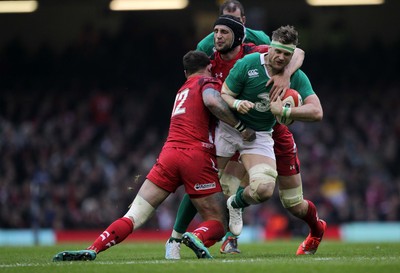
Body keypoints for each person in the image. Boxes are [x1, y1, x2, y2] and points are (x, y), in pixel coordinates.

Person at [52, 50, 256, 261]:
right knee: (218, 221)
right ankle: (196, 236)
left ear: (186, 72)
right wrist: (240, 125)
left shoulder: (181, 90)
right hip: (195, 154)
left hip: (168, 154)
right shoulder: (207, 82)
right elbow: (213, 102)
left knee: (134, 215)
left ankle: (93, 248)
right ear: (210, 67)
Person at [165, 15, 306, 259]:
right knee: (204, 180)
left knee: (261, 190)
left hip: (259, 131)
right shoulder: (208, 57)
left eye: (226, 30)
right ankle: (176, 239)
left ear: (240, 31)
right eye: (216, 31)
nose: (218, 36)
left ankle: (229, 229)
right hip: (226, 128)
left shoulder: (261, 53)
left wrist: (285, 73)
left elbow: (298, 52)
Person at [222, 25, 326, 256]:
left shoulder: (293, 72)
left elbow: (317, 112)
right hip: (247, 132)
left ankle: (317, 230)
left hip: (276, 134)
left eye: (286, 54)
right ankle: (230, 239)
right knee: (235, 186)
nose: (280, 57)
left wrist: (287, 111)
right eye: (277, 51)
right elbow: (224, 92)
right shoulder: (244, 59)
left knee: (293, 204)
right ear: (270, 46)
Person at [197, 0, 270, 56]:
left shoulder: (260, 39)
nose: (232, 25)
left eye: (237, 20)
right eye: (227, 20)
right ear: (220, 20)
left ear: (243, 20)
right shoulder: (205, 46)